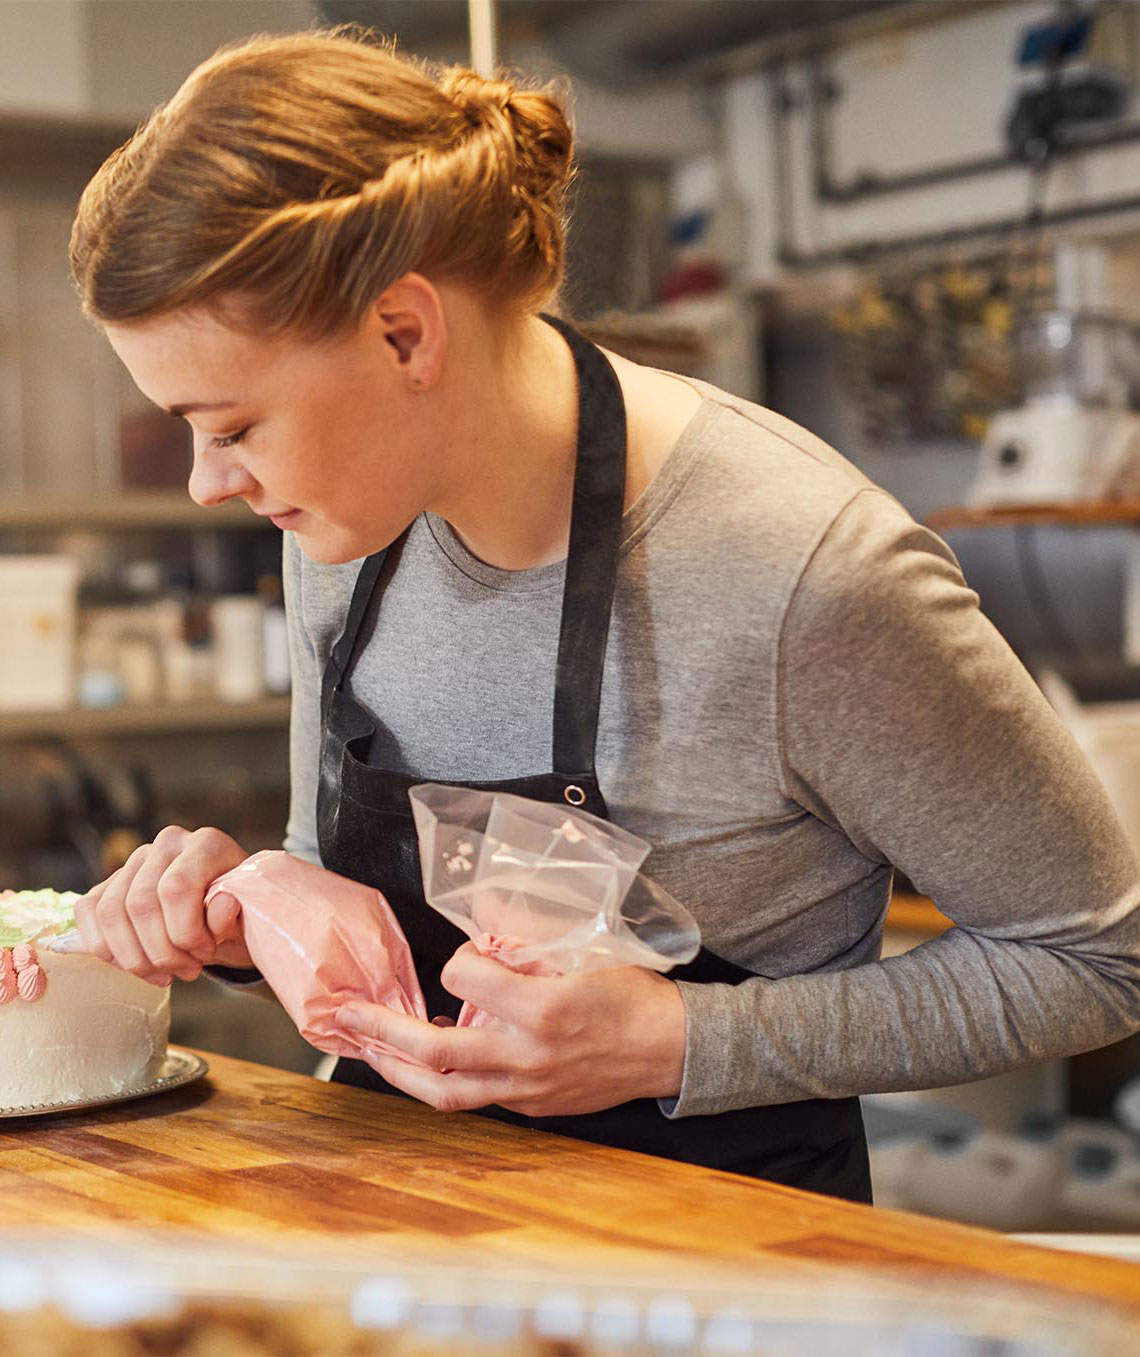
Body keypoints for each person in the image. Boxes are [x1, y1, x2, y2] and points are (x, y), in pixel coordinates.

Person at [69, 27, 1140, 1205]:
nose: (204, 482)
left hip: (723, 1249)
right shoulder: (344, 523)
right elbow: (341, 882)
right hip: (399, 1218)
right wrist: (250, 913)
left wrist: (677, 1040)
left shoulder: (803, 574)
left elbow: (1095, 956)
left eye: (228, 426)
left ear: (404, 333)